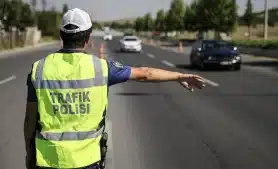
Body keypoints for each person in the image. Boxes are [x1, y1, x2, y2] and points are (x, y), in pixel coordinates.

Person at [24, 8, 206, 169]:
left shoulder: (39, 69)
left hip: (48, 162)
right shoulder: (102, 68)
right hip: (87, 161)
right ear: (88, 37)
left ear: (62, 36)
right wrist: (179, 76)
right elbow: (145, 73)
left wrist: (30, 155)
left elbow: (30, 120)